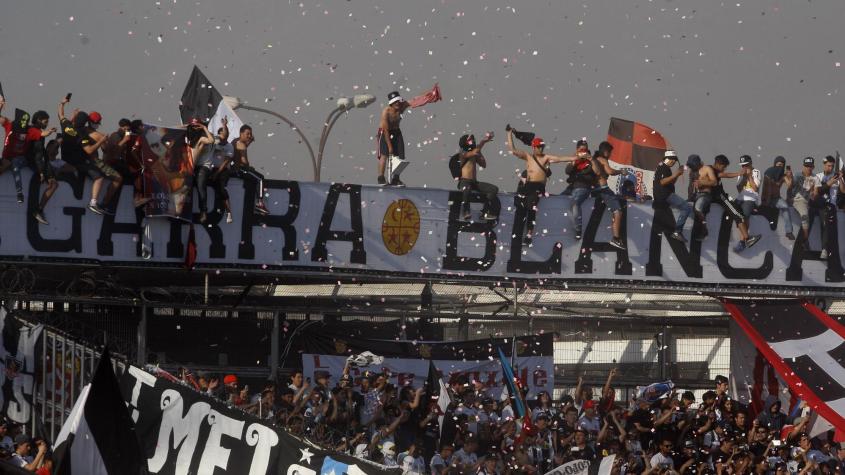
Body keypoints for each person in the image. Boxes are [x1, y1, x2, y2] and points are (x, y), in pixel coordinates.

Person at [506, 127, 578, 244]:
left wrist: (577, 157)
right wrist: (509, 134)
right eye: (539, 146)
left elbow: (561, 158)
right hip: (528, 185)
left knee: (531, 208)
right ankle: (520, 233)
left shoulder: (546, 157)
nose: (541, 148)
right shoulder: (528, 156)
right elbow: (512, 150)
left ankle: (529, 234)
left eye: (542, 146)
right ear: (534, 147)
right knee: (521, 207)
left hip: (538, 187)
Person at [693, 155, 760, 252]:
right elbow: (717, 180)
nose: (724, 169)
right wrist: (739, 173)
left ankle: (702, 232)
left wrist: (738, 174)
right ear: (719, 164)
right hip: (720, 196)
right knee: (737, 214)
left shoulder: (712, 171)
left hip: (710, 196)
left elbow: (725, 175)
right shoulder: (710, 170)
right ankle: (747, 238)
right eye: (723, 167)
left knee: (702, 210)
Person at [0, 102, 55, 204]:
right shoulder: (9, 124)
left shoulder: (29, 130)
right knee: (5, 164)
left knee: (14, 166)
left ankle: (19, 193)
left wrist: (50, 131)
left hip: (19, 158)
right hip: (6, 157)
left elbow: (42, 133)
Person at [81, 111, 124, 214]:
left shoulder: (82, 130)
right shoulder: (99, 135)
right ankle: (103, 204)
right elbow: (107, 150)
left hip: (83, 160)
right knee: (118, 178)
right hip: (95, 161)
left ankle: (96, 203)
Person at [589, 141, 627, 250]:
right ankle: (615, 238)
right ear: (606, 152)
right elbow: (610, 171)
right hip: (603, 190)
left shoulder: (594, 159)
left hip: (594, 190)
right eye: (610, 152)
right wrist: (621, 171)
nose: (610, 155)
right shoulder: (603, 159)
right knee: (617, 211)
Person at [455, 132, 499, 221]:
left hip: (474, 182)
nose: (473, 141)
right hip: (465, 181)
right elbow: (472, 153)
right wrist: (483, 141)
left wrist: (479, 152)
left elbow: (483, 164)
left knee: (493, 189)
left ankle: (485, 212)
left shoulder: (475, 153)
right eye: (470, 140)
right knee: (466, 190)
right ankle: (466, 212)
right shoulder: (462, 153)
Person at [26, 111, 60, 225]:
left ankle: (39, 210)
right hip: (34, 162)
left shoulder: (38, 131)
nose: (47, 123)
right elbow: (37, 154)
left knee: (54, 184)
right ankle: (38, 210)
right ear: (39, 120)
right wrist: (41, 172)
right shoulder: (34, 131)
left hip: (41, 162)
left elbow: (41, 152)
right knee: (53, 184)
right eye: (46, 121)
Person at [652, 150, 693, 242]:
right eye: (672, 159)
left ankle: (675, 232)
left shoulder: (665, 167)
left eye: (675, 159)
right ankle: (677, 232)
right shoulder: (663, 167)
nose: (673, 161)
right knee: (687, 207)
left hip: (664, 195)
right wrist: (676, 174)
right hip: (665, 194)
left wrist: (678, 174)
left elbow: (671, 182)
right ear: (666, 159)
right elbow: (662, 182)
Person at [230, 124, 269, 215]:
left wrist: (249, 142)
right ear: (241, 133)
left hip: (234, 169)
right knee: (260, 179)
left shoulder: (235, 141)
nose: (249, 136)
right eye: (248, 134)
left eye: (250, 134)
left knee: (255, 175)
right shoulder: (241, 144)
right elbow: (244, 161)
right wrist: (249, 166)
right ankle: (260, 203)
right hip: (240, 170)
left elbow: (238, 154)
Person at [564, 139, 596, 240]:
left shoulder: (590, 160)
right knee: (555, 198)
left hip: (583, 187)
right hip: (571, 188)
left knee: (575, 203)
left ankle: (578, 229)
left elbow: (597, 172)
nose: (584, 152)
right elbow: (567, 171)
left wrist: (591, 159)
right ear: (577, 150)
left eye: (585, 150)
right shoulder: (575, 159)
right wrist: (575, 160)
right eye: (581, 150)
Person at [815, 155, 844, 260]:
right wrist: (830, 182)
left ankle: (826, 249)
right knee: (824, 224)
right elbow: (818, 191)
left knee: (828, 225)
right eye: (828, 166)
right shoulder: (818, 176)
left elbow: (843, 191)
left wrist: (840, 179)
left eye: (832, 166)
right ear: (824, 165)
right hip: (820, 204)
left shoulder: (836, 177)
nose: (830, 168)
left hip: (832, 205)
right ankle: (823, 248)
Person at [377, 91, 410, 186]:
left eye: (398, 101)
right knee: (384, 155)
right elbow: (386, 130)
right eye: (395, 102)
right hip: (384, 132)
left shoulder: (402, 107)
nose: (397, 104)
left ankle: (396, 178)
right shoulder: (386, 112)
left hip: (396, 132)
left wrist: (429, 96)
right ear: (391, 103)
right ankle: (381, 177)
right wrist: (390, 146)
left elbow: (414, 101)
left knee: (401, 157)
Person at [788, 157, 820, 249]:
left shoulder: (815, 178)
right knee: (805, 216)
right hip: (797, 200)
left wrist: (813, 193)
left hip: (807, 201)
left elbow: (815, 193)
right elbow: (790, 186)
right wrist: (790, 177)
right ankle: (805, 240)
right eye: (806, 166)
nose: (808, 168)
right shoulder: (797, 175)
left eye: (810, 166)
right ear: (803, 166)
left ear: (813, 167)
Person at [761, 156, 795, 240]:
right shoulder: (769, 173)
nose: (780, 167)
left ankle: (789, 231)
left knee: (785, 207)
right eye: (778, 164)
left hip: (776, 199)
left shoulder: (782, 176)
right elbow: (766, 190)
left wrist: (790, 176)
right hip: (767, 199)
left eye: (782, 165)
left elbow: (789, 185)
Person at [736, 154, 762, 222]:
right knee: (731, 212)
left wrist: (749, 176)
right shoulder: (741, 172)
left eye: (746, 165)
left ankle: (745, 232)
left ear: (750, 163)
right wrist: (744, 177)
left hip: (751, 199)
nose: (744, 167)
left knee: (744, 215)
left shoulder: (756, 172)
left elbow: (755, 188)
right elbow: (739, 189)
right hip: (740, 198)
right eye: (742, 165)